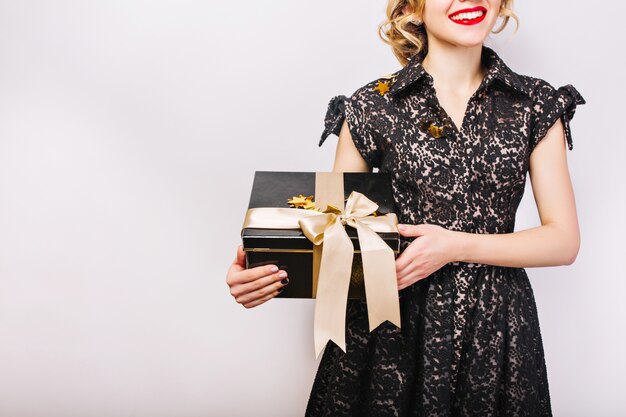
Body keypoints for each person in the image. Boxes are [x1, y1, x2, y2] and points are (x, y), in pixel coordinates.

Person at [227, 0, 585, 415]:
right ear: (413, 5)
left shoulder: (535, 103)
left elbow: (563, 240)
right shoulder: (371, 105)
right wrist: (265, 265)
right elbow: (335, 233)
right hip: (389, 331)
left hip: (495, 330)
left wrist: (453, 246)